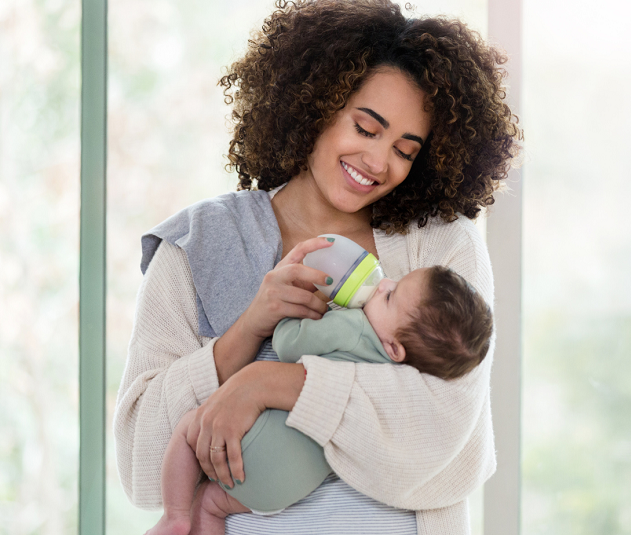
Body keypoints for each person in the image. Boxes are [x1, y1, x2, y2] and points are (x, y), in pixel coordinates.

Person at [113, 0, 521, 533]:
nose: (378, 162)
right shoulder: (199, 246)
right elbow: (141, 464)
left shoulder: (439, 251)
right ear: (316, 102)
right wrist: (248, 330)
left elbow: (446, 436)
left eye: (405, 149)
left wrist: (268, 383)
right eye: (366, 127)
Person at [147, 264, 494, 535]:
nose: (384, 283)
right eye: (394, 282)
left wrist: (306, 311)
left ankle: (175, 517)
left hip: (247, 456)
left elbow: (287, 344)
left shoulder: (353, 326)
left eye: (390, 296)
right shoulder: (399, 367)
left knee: (188, 425)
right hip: (287, 489)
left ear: (394, 348)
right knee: (212, 503)